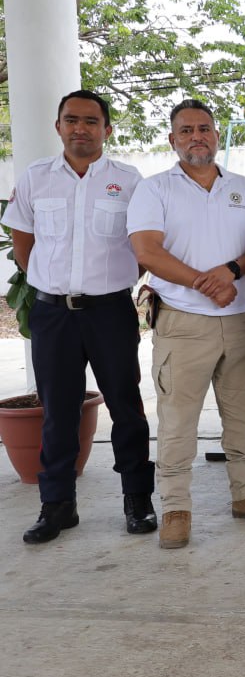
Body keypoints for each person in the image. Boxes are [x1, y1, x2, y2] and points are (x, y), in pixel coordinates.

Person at [126, 99, 245, 549]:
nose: (197, 136)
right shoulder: (155, 189)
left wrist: (230, 272)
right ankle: (176, 508)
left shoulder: (244, 187)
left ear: (217, 135)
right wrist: (204, 282)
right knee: (178, 421)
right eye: (186, 130)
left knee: (243, 417)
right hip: (182, 324)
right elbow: (147, 252)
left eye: (205, 128)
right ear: (172, 139)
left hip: (240, 321)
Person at [3, 90, 156, 544]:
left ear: (107, 129)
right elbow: (24, 244)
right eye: (72, 120)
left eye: (91, 121)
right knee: (58, 412)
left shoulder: (130, 180)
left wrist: (112, 281)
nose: (81, 129)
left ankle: (137, 501)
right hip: (53, 316)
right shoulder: (34, 179)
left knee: (127, 408)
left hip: (109, 312)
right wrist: (51, 282)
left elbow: (142, 247)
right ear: (58, 127)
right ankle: (57, 506)